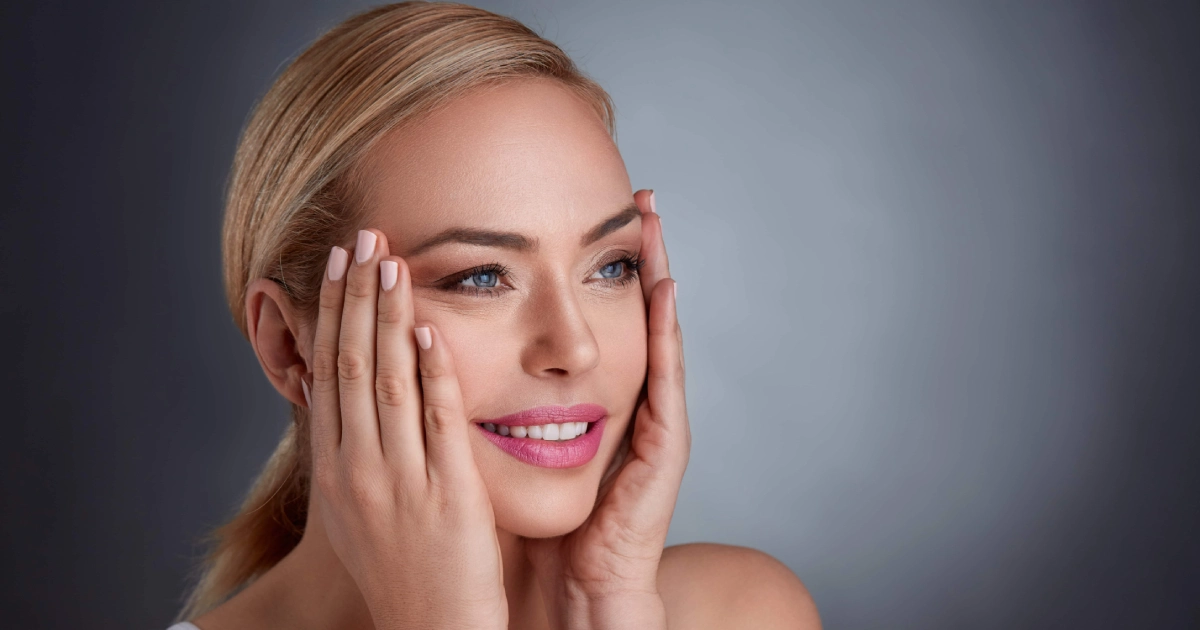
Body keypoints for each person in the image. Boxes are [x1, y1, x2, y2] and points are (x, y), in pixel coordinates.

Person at [171, 2, 821, 628]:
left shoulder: (736, 613)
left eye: (612, 267)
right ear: (289, 344)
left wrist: (606, 611)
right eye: (480, 277)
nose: (576, 347)